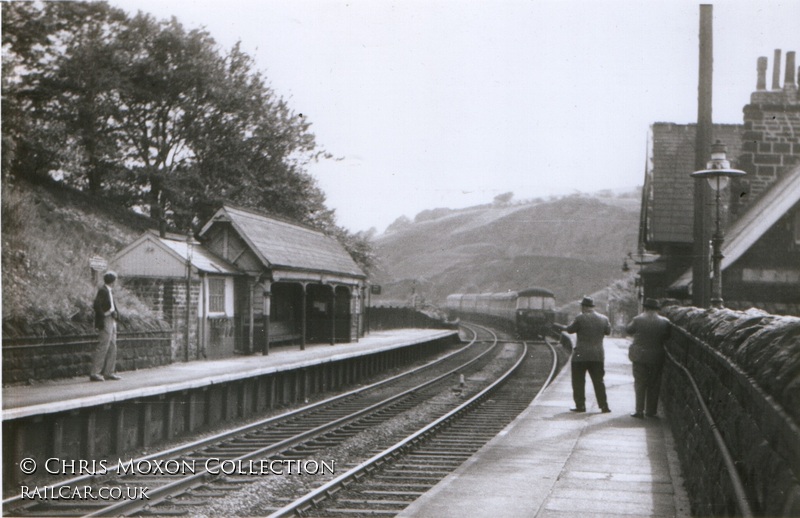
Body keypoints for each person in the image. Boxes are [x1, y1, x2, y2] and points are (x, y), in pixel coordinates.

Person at [557, 296, 611, 413]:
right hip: (597, 355)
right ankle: (604, 406)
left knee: (578, 381)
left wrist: (562, 327)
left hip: (580, 355)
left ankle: (580, 406)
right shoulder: (604, 319)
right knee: (598, 381)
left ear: (584, 307)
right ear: (592, 307)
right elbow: (608, 332)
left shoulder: (580, 318)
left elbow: (570, 330)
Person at [625, 298, 671, 418]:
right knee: (654, 384)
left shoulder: (638, 319)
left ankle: (639, 411)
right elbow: (667, 336)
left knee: (640, 383)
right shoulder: (665, 321)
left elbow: (628, 330)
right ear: (657, 309)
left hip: (639, 356)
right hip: (656, 356)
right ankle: (651, 411)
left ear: (645, 307)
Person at [91, 271, 122, 382]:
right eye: (116, 280)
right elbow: (96, 305)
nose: (116, 282)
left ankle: (109, 372)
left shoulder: (109, 291)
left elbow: (112, 305)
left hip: (112, 320)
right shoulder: (103, 291)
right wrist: (104, 314)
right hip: (106, 320)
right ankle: (95, 373)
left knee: (113, 346)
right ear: (113, 281)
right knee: (103, 345)